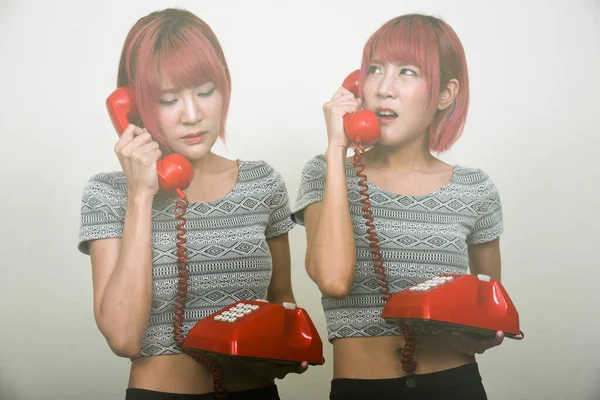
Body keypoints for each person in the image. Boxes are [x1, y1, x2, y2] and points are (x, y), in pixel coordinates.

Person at [77, 8, 306, 400]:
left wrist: (288, 349)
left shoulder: (262, 182)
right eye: (168, 100)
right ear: (133, 108)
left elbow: (281, 297)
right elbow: (124, 337)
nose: (193, 114)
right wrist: (140, 196)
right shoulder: (108, 194)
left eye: (205, 92)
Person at [291, 13, 505, 400]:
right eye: (374, 70)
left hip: (455, 386)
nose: (384, 89)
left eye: (407, 72)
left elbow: (491, 308)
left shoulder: (475, 189)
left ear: (445, 93)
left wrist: (486, 333)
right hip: (361, 389)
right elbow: (333, 280)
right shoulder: (325, 171)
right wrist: (338, 148)